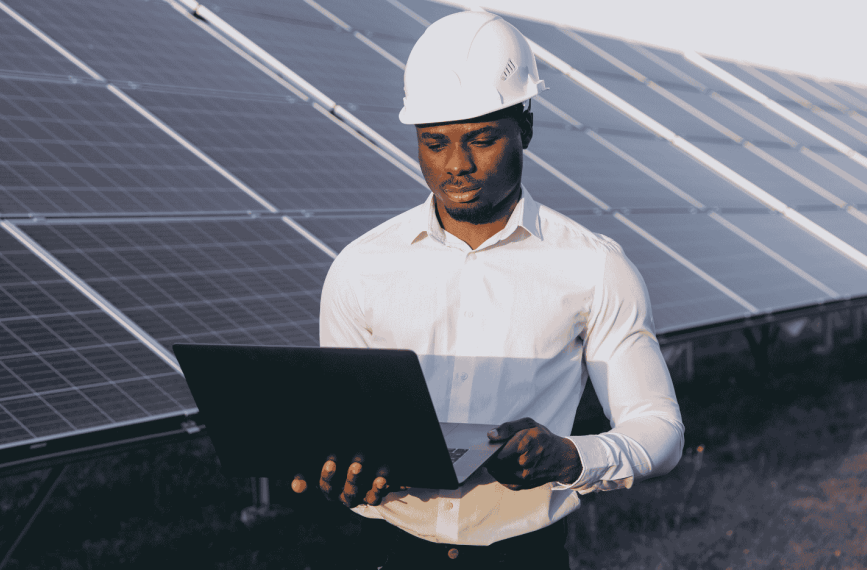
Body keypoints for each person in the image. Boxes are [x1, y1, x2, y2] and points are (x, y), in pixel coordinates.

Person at [290, 8, 685, 570]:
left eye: (481, 139)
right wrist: (345, 470)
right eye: (434, 143)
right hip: (390, 554)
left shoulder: (594, 267)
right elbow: (348, 429)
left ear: (525, 127)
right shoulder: (361, 268)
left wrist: (571, 455)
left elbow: (660, 430)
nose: (458, 165)